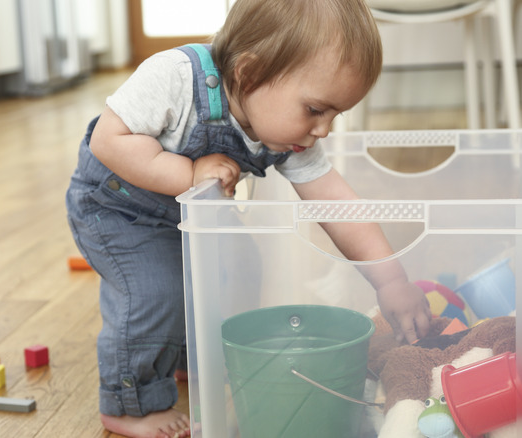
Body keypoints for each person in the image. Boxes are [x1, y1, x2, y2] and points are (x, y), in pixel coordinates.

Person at [66, 0, 432, 437]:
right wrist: (188, 173)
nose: (324, 130)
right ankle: (130, 402)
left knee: (239, 265)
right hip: (118, 209)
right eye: (316, 110)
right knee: (157, 292)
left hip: (189, 215)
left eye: (336, 114)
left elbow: (337, 204)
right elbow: (110, 139)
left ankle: (189, 358)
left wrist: (390, 280)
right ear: (249, 74)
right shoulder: (174, 78)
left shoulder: (286, 135)